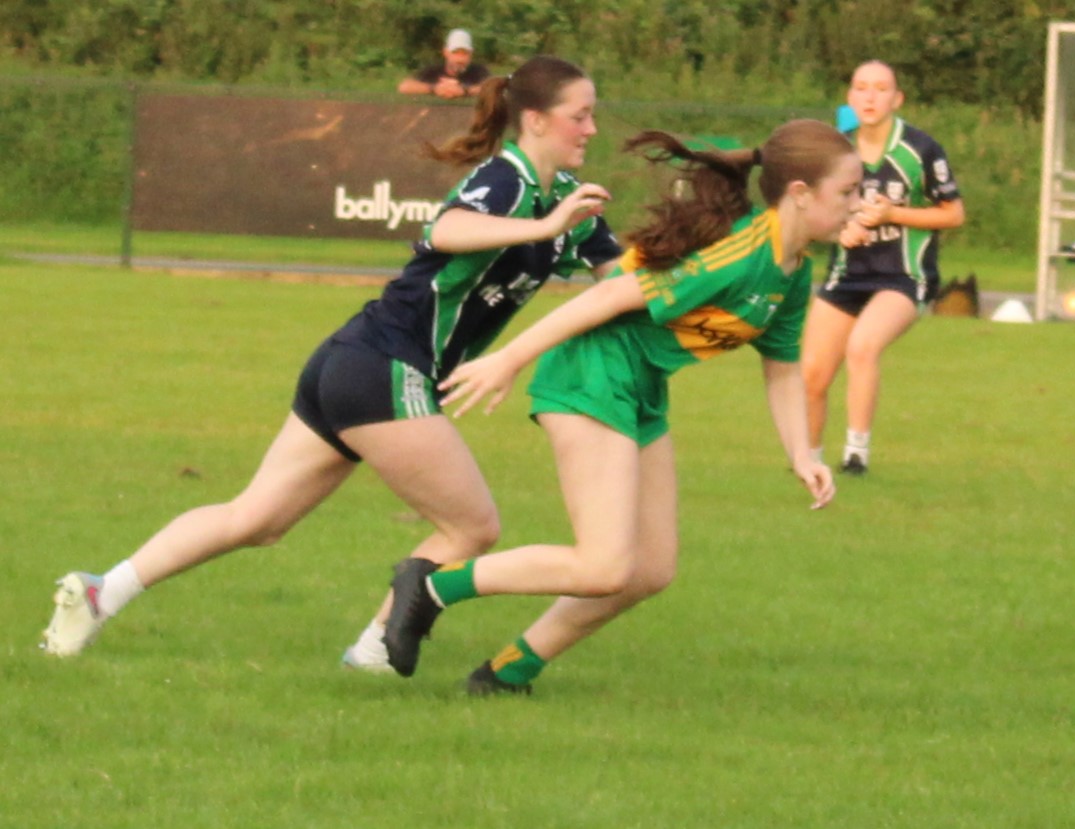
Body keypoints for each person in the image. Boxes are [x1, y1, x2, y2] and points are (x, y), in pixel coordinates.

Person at [40, 56, 620, 665]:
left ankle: (102, 592)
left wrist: (681, 273)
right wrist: (542, 228)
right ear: (535, 119)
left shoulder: (570, 205)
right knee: (472, 528)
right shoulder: (508, 180)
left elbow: (624, 284)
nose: (591, 129)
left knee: (257, 519)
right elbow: (447, 228)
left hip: (356, 360)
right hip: (385, 365)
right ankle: (371, 656)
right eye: (579, 116)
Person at [380, 120, 855, 694]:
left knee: (649, 570)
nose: (858, 205)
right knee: (602, 566)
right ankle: (431, 586)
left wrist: (803, 454)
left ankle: (505, 674)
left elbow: (781, 368)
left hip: (640, 386)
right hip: (594, 373)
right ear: (800, 193)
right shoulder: (740, 255)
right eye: (847, 192)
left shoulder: (793, 269)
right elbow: (608, 295)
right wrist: (509, 359)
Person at [802, 60, 964, 477]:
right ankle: (809, 463)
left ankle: (856, 453)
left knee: (863, 346)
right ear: (850, 97)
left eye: (880, 88)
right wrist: (841, 231)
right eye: (861, 88)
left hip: (903, 277)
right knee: (812, 375)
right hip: (846, 276)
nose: (870, 97)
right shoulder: (835, 151)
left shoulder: (920, 150)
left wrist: (893, 214)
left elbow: (953, 214)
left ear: (897, 99)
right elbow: (812, 215)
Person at [398, 29, 491, 99]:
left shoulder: (478, 71)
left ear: (471, 54)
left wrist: (465, 91)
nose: (460, 59)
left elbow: (493, 89)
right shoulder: (433, 71)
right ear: (446, 52)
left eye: (464, 53)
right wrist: (434, 88)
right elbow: (404, 86)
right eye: (455, 53)